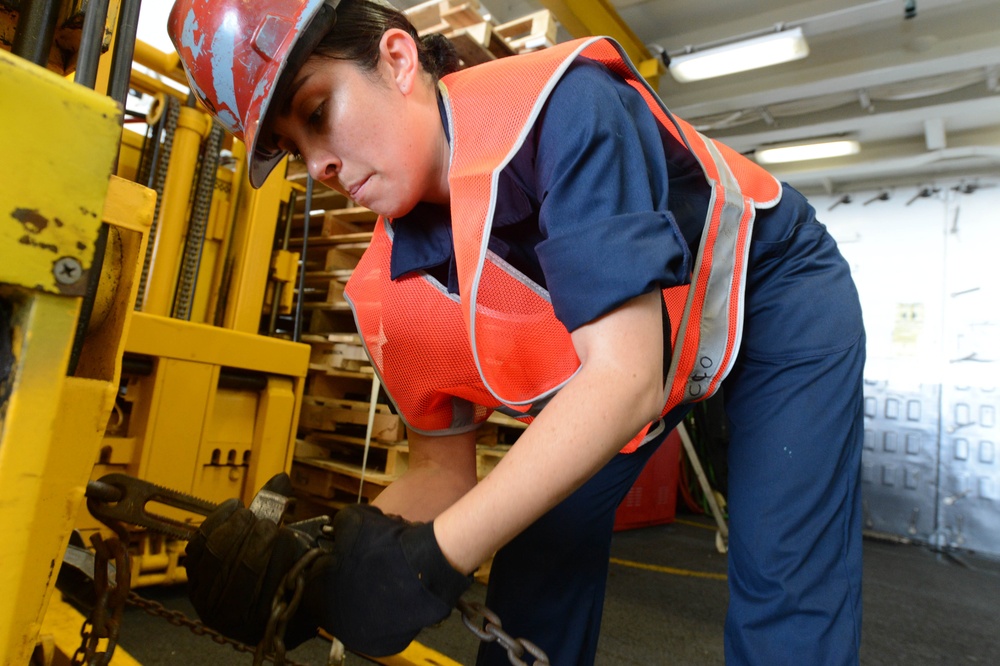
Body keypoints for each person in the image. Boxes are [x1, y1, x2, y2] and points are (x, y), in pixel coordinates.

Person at [167, 0, 866, 664]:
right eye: (294, 149)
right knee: (535, 548)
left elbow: (623, 380)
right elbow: (443, 472)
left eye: (318, 112)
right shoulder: (389, 292)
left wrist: (436, 559)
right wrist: (313, 564)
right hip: (643, 353)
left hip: (770, 288)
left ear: (398, 58)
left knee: (784, 572)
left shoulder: (563, 108)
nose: (318, 163)